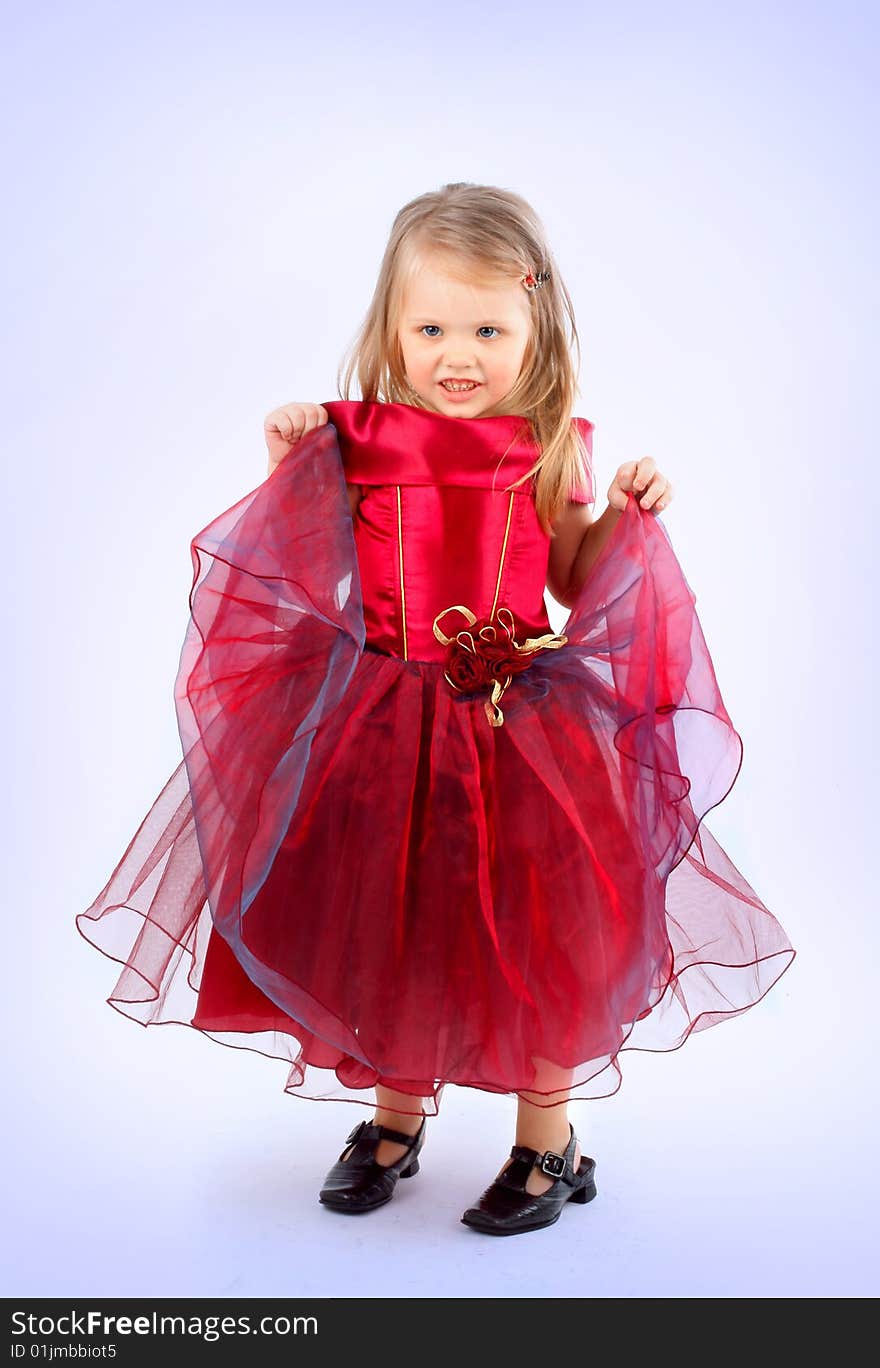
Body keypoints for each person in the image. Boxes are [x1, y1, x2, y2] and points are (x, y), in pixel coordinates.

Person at [77, 182, 795, 1237]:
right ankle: (393, 1118)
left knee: (538, 930)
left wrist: (630, 521)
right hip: (376, 721)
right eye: (431, 328)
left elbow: (578, 577)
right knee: (391, 919)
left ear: (535, 325)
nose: (459, 354)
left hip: (517, 730)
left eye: (488, 329)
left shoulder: (548, 443)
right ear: (389, 330)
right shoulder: (356, 438)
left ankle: (548, 1141)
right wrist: (290, 462)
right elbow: (297, 560)